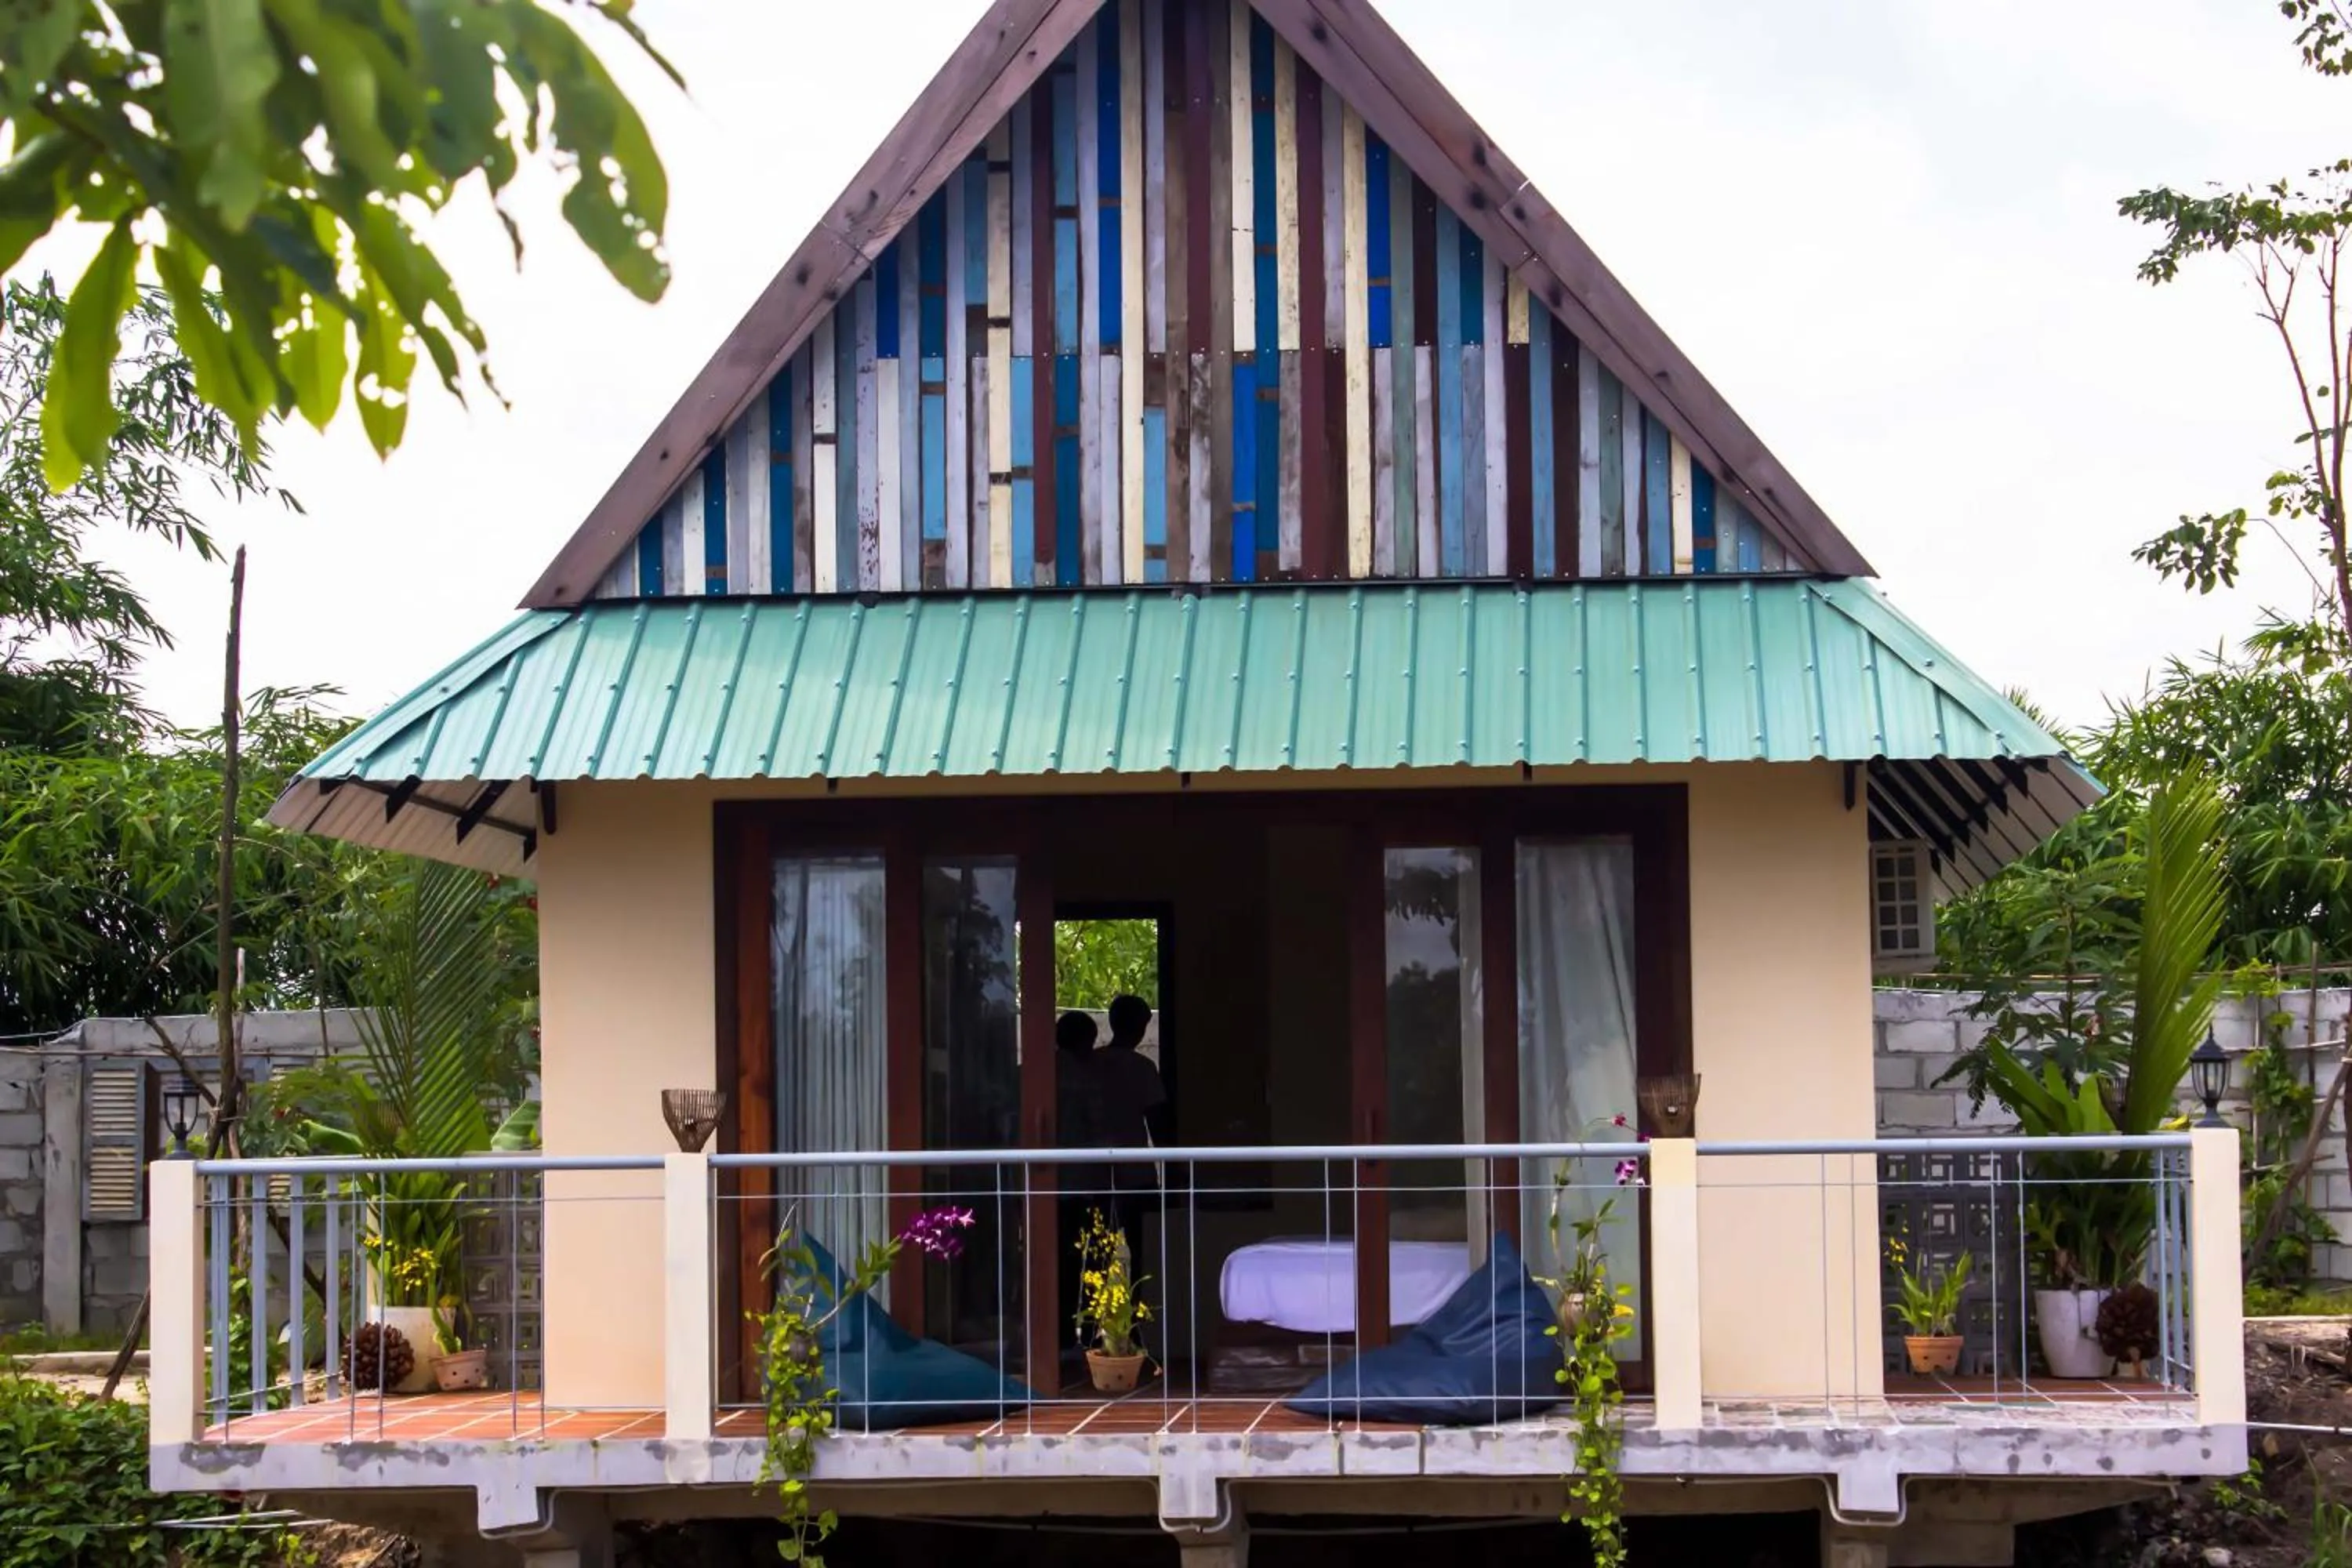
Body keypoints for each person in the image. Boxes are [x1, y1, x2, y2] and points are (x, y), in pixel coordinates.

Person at [1094, 994, 1167, 1222]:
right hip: (1136, 1171)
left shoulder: (1090, 1063)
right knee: (1145, 1245)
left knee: (1097, 1247)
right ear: (1141, 1027)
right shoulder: (1142, 1068)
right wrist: (1173, 1163)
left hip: (1093, 1170)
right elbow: (1157, 1121)